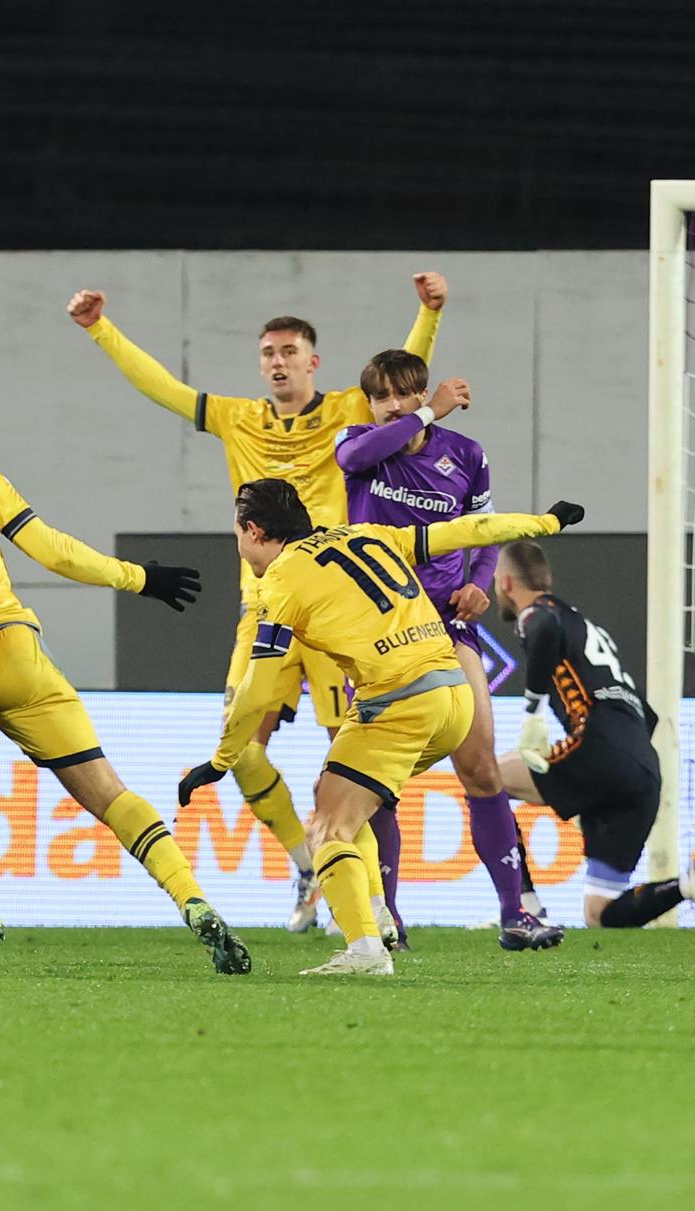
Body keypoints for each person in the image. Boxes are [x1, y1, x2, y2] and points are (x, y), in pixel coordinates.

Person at [70, 274, 446, 932]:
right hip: (267, 606)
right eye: (268, 352)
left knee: (351, 758)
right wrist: (102, 329)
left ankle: (378, 907)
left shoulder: (350, 410)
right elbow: (163, 388)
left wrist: (429, 313)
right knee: (239, 744)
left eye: (289, 351)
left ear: (313, 360)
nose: (277, 361)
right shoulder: (238, 418)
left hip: (335, 612)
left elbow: (400, 389)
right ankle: (308, 862)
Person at [0, 395, 251, 973]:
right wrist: (139, 577)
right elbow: (52, 550)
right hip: (18, 652)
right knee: (107, 791)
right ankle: (192, 899)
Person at [178, 479, 580, 975]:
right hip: (454, 697)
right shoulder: (367, 534)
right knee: (340, 792)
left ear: (254, 531)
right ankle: (381, 917)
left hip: (398, 702)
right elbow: (466, 530)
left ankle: (366, 948)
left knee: (326, 828)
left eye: (237, 535)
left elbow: (258, 688)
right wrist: (546, 523)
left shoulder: (280, 579)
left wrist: (221, 760)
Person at [336, 350, 558, 950]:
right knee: (378, 782)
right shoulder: (357, 446)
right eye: (382, 396)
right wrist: (430, 412)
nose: (393, 406)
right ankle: (388, 918)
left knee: (482, 766)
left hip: (445, 625)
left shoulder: (466, 456)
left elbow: (482, 532)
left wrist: (479, 583)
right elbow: (357, 457)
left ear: (419, 391)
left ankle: (516, 914)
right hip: (377, 631)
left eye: (405, 394)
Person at [493, 541, 695, 931]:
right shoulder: (586, 626)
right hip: (644, 768)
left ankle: (524, 907)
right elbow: (650, 716)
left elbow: (541, 629)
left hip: (599, 747)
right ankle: (689, 885)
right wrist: (603, 783)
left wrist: (533, 716)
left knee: (484, 778)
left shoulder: (537, 614)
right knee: (601, 914)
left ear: (506, 581)